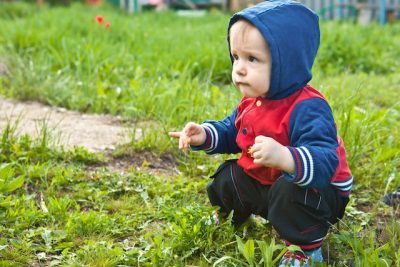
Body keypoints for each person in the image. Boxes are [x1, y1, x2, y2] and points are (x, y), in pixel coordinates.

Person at [169, 0, 353, 265]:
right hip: (272, 183)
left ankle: (305, 250)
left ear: (285, 63)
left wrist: (285, 156)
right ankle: (230, 214)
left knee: (290, 191)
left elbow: (325, 163)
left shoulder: (308, 108)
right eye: (236, 57)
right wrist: (205, 135)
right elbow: (232, 131)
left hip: (320, 195)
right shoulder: (253, 100)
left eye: (252, 59)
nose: (239, 68)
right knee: (230, 174)